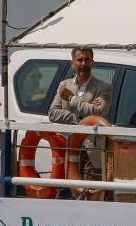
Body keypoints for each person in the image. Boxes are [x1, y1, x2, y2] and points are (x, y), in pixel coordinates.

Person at [48, 47, 113, 181]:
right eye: (80, 60)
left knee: (90, 193)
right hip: (67, 147)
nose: (83, 63)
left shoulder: (104, 88)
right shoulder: (64, 85)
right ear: (73, 63)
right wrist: (80, 118)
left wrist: (71, 99)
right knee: (69, 193)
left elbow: (98, 112)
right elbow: (53, 113)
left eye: (87, 60)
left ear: (92, 63)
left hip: (91, 151)